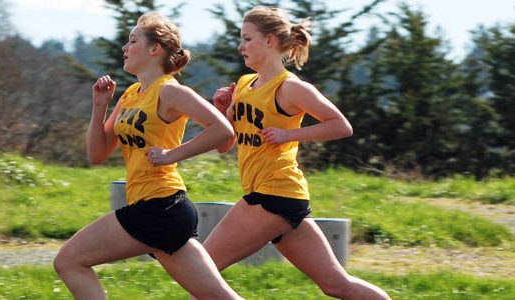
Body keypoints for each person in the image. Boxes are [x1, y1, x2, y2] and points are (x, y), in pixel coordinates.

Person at [197, 5, 392, 300]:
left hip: (273, 193)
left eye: (247, 39)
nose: (240, 46)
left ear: (269, 41)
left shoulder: (289, 88)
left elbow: (341, 126)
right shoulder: (245, 85)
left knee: (200, 274)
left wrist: (290, 134)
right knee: (336, 285)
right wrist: (223, 111)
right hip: (283, 198)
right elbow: (225, 145)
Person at [53, 11, 243, 300]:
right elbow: (97, 154)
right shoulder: (131, 94)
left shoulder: (168, 91)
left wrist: (171, 155)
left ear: (155, 49)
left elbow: (223, 130)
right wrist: (99, 107)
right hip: (162, 212)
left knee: (68, 260)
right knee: (219, 297)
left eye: (132, 41)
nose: (124, 48)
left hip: (160, 206)